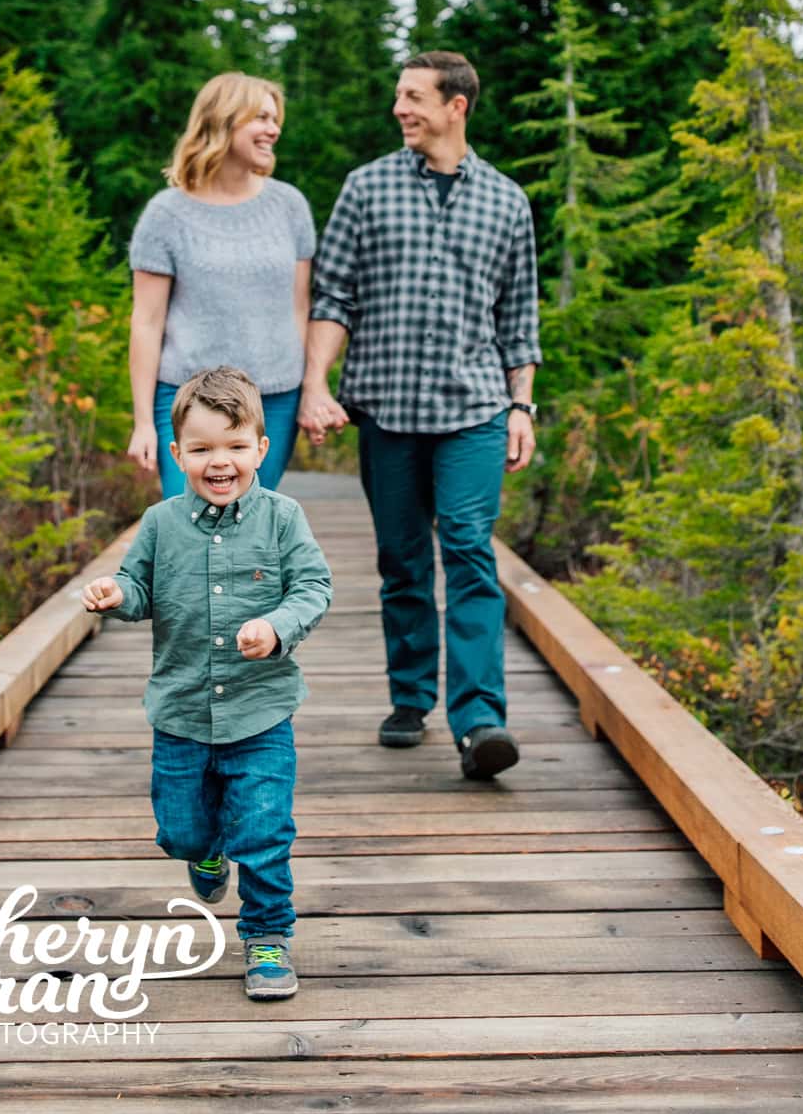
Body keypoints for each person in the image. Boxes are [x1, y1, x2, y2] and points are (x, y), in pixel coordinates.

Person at [297, 51, 540, 782]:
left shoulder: (506, 201)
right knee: (401, 561)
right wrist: (315, 382)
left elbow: (518, 318)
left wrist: (522, 404)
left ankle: (478, 721)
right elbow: (332, 296)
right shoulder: (366, 189)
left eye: (412, 97)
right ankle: (410, 699)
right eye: (398, 95)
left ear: (454, 105)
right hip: (387, 408)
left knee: (467, 547)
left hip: (474, 409)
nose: (399, 108)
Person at [82, 365, 333, 999]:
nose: (219, 462)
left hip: (261, 711)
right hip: (183, 712)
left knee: (267, 830)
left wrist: (278, 626)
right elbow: (140, 588)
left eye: (234, 446)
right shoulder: (161, 523)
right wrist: (119, 593)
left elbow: (313, 587)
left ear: (260, 448)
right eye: (201, 449)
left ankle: (268, 936)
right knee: (181, 829)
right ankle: (205, 849)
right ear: (177, 454)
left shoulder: (282, 518)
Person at [128, 74, 316, 496]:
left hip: (274, 401)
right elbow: (146, 321)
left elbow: (299, 308)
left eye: (276, 118)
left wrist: (308, 391)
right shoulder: (166, 214)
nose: (274, 129)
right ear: (224, 121)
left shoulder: (290, 206)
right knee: (190, 523)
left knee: (251, 526)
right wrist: (143, 422)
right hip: (187, 399)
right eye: (262, 118)